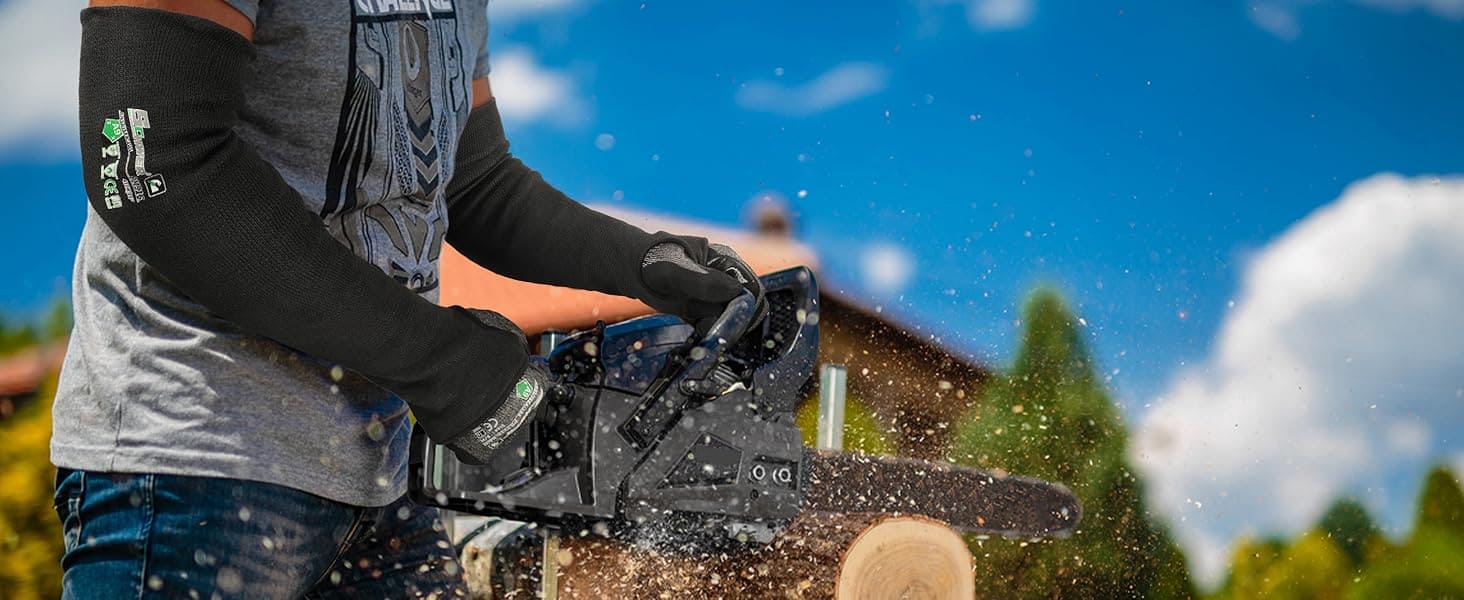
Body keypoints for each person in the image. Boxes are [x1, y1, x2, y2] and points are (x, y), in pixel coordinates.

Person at [51, 1, 763, 597]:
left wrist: (645, 265)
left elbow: (473, 180)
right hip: (192, 462)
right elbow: (155, 168)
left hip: (378, 474)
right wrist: (451, 367)